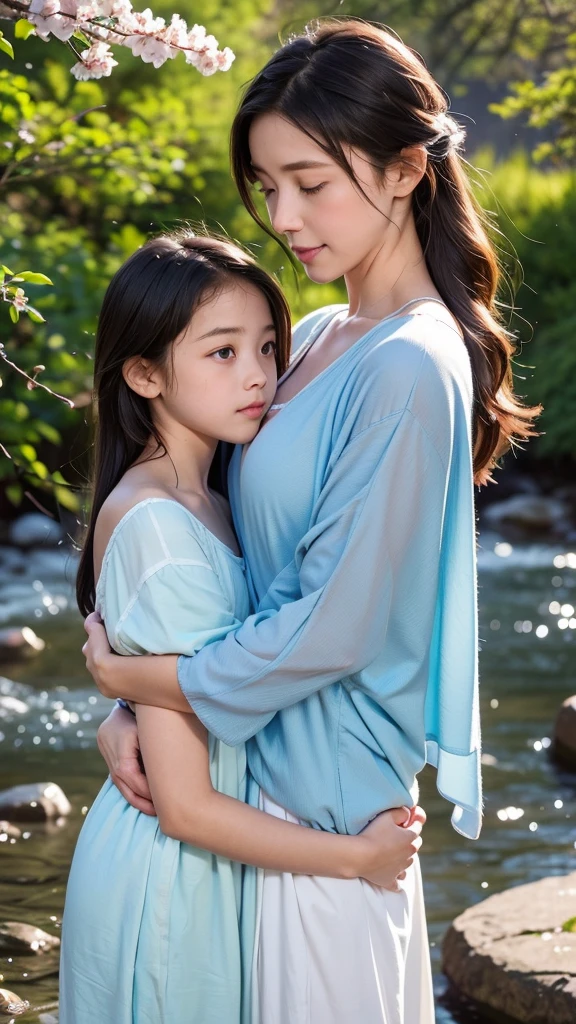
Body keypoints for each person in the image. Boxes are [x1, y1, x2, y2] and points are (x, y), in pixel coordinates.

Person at [83, 19, 540, 1024]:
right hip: (253, 803)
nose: (283, 214)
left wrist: (132, 678)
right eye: (267, 183)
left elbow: (333, 627)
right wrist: (138, 720)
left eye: (311, 181)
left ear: (407, 167)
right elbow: (237, 570)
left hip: (324, 820)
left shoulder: (413, 363)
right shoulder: (327, 332)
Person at [59, 231, 424, 1024]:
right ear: (146, 373)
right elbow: (185, 806)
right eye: (221, 353)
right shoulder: (160, 528)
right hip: (176, 866)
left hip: (218, 854)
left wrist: (122, 707)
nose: (259, 374)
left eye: (267, 345)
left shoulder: (215, 494)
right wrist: (360, 859)